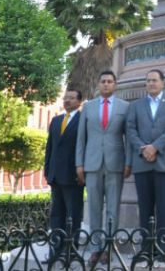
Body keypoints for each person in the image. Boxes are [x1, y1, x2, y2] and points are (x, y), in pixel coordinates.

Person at [75, 70, 132, 267]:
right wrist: (79, 164)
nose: (106, 84)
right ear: (98, 85)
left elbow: (129, 138)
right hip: (92, 164)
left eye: (109, 81)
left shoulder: (125, 107)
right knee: (94, 208)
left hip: (116, 163)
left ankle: (109, 248)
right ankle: (95, 248)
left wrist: (128, 162)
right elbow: (81, 138)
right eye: (103, 81)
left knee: (113, 208)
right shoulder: (88, 107)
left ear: (115, 85)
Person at [127, 69, 165, 257]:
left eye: (154, 80)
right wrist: (144, 149)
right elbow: (131, 130)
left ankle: (162, 248)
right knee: (145, 207)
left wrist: (155, 147)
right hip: (142, 162)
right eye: (148, 80)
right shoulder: (136, 105)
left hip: (164, 162)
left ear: (163, 83)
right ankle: (145, 248)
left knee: (163, 207)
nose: (151, 83)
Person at [43, 89, 85, 264]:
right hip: (55, 176)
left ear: (79, 101)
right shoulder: (56, 120)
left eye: (71, 98)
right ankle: (55, 248)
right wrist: (47, 170)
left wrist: (81, 170)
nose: (67, 101)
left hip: (73, 176)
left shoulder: (83, 120)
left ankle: (72, 249)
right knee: (56, 214)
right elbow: (50, 148)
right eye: (65, 98)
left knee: (73, 214)